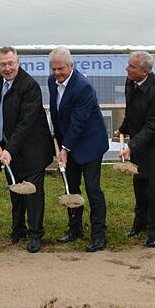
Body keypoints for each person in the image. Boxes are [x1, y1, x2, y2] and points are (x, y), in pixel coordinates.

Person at [0, 46, 53, 253]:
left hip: (32, 147)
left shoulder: (29, 86)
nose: (7, 68)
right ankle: (18, 229)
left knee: (32, 192)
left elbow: (26, 122)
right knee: (15, 188)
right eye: (2, 64)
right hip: (7, 145)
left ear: (18, 63)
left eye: (10, 63)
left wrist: (10, 149)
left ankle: (35, 234)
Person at [47, 46, 109, 252]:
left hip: (90, 143)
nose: (57, 73)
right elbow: (57, 112)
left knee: (93, 189)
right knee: (70, 188)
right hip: (68, 142)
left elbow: (79, 122)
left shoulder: (83, 87)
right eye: (53, 69)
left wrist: (65, 148)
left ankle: (99, 235)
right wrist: (58, 138)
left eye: (61, 69)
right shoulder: (52, 82)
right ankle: (75, 229)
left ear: (71, 65)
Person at [118, 51, 155, 248]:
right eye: (128, 65)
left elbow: (153, 125)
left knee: (154, 192)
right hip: (139, 148)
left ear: (145, 71)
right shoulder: (130, 81)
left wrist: (131, 146)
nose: (127, 69)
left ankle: (153, 232)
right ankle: (138, 225)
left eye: (132, 67)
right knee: (139, 189)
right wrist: (124, 128)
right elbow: (131, 110)